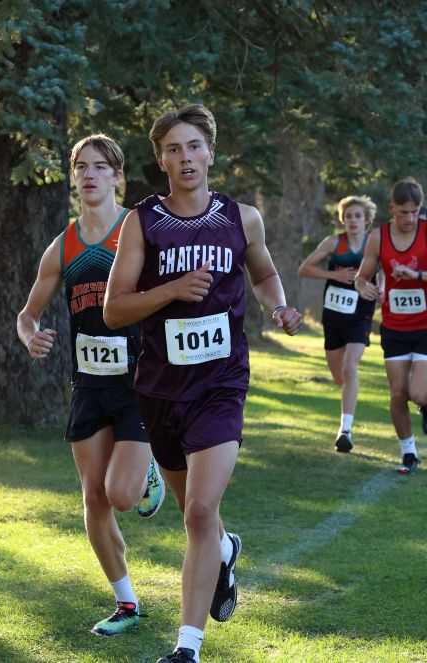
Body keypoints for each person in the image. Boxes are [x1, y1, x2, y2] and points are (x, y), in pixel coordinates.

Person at [103, 105, 303, 663]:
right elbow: (115, 310)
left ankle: (187, 647)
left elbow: (262, 272)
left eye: (194, 146)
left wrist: (279, 307)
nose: (185, 158)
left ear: (210, 153)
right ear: (160, 158)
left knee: (196, 510)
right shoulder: (142, 223)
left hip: (221, 383)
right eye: (173, 148)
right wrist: (170, 290)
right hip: (160, 389)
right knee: (194, 510)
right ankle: (225, 549)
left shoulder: (242, 218)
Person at [17, 134, 165, 637]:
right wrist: (31, 336)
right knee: (93, 499)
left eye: (100, 167)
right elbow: (27, 314)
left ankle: (146, 475)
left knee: (120, 494)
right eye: (81, 167)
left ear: (118, 176)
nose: (89, 175)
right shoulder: (64, 245)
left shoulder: (139, 228)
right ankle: (126, 603)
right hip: (88, 384)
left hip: (140, 381)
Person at [355, 178, 427, 475]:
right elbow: (362, 276)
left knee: (419, 393)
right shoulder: (378, 238)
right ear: (391, 209)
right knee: (398, 393)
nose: (409, 219)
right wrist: (364, 288)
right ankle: (408, 452)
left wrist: (417, 275)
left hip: (425, 325)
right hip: (394, 326)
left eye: (415, 212)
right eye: (403, 212)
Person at [298, 195, 380, 452]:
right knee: (338, 377)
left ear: (367, 220)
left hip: (360, 315)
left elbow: (385, 272)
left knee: (349, 368)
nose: (352, 220)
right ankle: (348, 393)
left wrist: (381, 291)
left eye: (357, 216)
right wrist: (333, 274)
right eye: (348, 216)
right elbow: (304, 269)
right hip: (333, 315)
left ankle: (345, 430)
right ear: (342, 219)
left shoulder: (373, 244)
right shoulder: (334, 242)